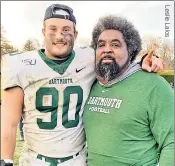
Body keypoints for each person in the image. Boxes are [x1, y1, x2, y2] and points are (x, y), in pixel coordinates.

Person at [1, 4, 164, 166]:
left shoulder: (88, 58)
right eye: (52, 29)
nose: (59, 36)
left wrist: (147, 59)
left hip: (76, 160)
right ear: (43, 32)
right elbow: (9, 123)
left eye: (66, 30)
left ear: (75, 34)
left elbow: (116, 60)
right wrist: (6, 161)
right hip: (35, 160)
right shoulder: (20, 64)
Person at [83, 15, 174, 166]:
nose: (107, 50)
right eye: (101, 44)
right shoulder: (90, 82)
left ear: (130, 50)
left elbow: (172, 140)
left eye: (115, 44)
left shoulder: (154, 85)